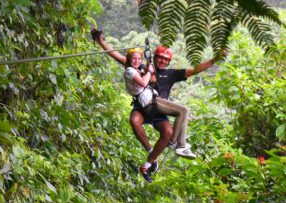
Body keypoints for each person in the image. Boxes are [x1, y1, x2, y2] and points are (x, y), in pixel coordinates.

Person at [92, 28, 220, 182]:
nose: (162, 61)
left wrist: (214, 60)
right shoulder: (141, 67)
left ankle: (149, 163)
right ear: (155, 58)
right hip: (142, 105)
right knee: (134, 120)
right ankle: (152, 150)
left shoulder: (172, 74)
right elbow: (117, 55)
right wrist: (101, 42)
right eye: (160, 58)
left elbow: (195, 70)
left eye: (166, 60)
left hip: (160, 108)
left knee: (167, 133)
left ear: (169, 62)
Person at [122, 47, 193, 182]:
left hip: (154, 103)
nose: (137, 61)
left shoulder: (141, 69)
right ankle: (177, 144)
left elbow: (194, 70)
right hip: (148, 103)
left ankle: (147, 165)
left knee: (168, 130)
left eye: (138, 59)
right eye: (134, 59)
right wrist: (101, 42)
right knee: (182, 111)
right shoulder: (133, 70)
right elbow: (142, 80)